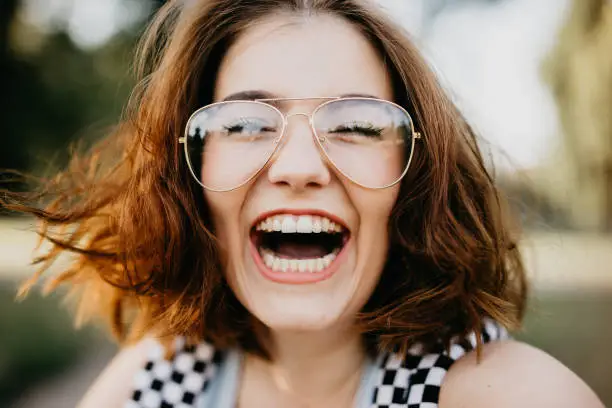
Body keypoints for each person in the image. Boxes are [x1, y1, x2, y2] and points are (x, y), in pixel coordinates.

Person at [5, 0, 605, 407]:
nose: (298, 167)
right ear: (189, 173)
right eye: (242, 124)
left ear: (412, 175)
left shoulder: (512, 396)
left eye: (358, 125)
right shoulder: (156, 383)